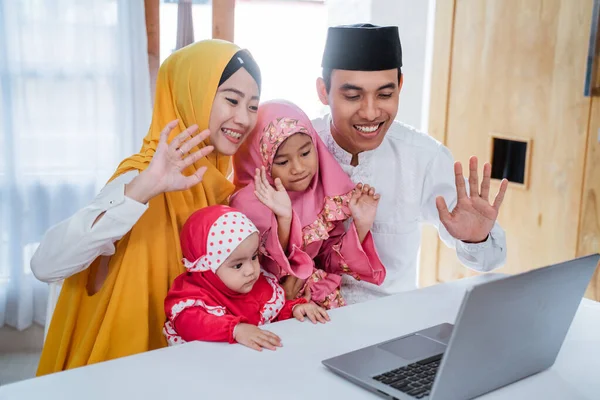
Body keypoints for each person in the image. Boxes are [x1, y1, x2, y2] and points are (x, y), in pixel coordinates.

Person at [31, 39, 262, 374]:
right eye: (231, 100)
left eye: (253, 106)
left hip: (197, 366)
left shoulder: (221, 188)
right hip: (127, 373)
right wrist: (143, 189)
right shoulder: (141, 175)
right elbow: (45, 264)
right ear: (189, 94)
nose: (243, 118)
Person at [308, 24, 508, 304]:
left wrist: (476, 239)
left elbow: (490, 260)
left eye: (385, 95)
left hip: (390, 324)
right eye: (352, 96)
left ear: (400, 87)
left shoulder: (422, 156)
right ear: (322, 91)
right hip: (303, 323)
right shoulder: (294, 146)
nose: (370, 112)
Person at [230, 100, 386, 309]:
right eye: (283, 161)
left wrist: (360, 225)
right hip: (267, 311)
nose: (298, 168)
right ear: (261, 162)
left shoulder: (319, 194)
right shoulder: (247, 206)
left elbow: (330, 262)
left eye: (305, 153)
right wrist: (284, 220)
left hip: (316, 301)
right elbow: (271, 274)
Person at [163, 205, 329, 352]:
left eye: (254, 257)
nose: (251, 270)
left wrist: (294, 310)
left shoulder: (257, 285)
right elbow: (192, 324)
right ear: (207, 269)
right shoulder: (191, 299)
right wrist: (235, 329)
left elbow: (271, 313)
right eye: (237, 265)